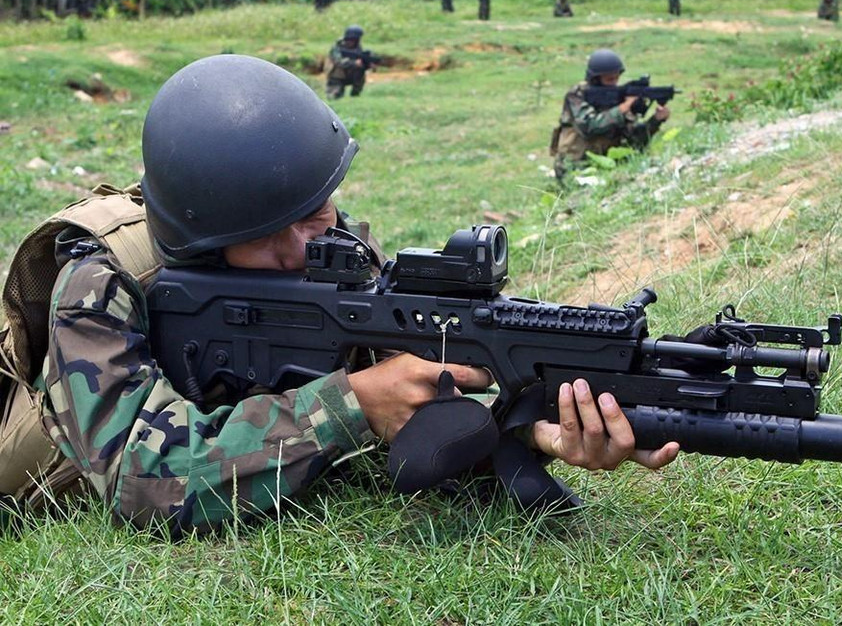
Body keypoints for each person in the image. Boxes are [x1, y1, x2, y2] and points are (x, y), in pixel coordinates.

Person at [0, 55, 678, 534]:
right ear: (205, 241)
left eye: (318, 214)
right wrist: (348, 406)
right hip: (44, 466)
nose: (306, 249)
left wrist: (536, 424)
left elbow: (420, 387)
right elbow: (138, 480)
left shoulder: (331, 245)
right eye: (272, 237)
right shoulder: (98, 281)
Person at [551, 49, 671, 182]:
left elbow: (635, 141)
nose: (614, 82)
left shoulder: (618, 99)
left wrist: (655, 121)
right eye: (609, 79)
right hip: (575, 168)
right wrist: (622, 108)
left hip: (607, 166)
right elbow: (589, 127)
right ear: (596, 79)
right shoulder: (577, 95)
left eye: (616, 78)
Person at [326, 25, 371, 99]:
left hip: (350, 75)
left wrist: (367, 64)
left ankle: (355, 94)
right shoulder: (337, 47)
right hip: (337, 76)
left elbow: (360, 59)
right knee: (334, 97)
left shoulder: (357, 47)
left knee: (360, 69)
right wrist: (353, 63)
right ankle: (336, 92)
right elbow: (338, 62)